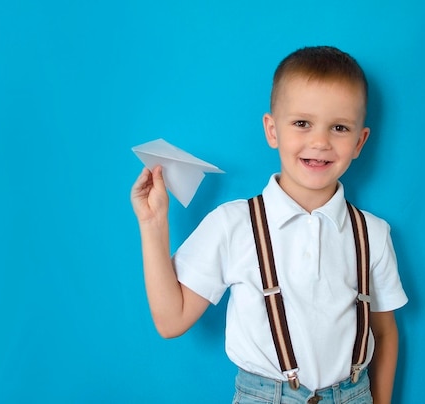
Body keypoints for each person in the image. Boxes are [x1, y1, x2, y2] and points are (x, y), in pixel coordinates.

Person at [131, 46, 407, 404]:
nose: (320, 142)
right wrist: (153, 224)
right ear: (272, 130)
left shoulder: (373, 233)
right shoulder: (233, 224)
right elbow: (172, 321)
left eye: (339, 127)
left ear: (359, 141)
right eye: (302, 123)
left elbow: (384, 332)